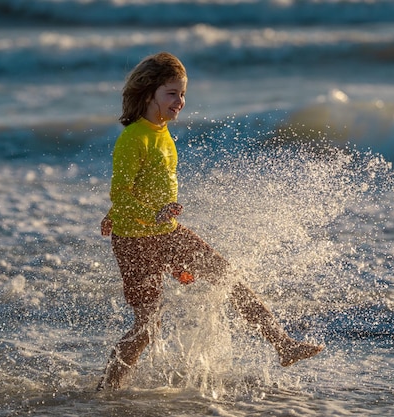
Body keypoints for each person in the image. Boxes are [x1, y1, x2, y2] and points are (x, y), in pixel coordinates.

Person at [97, 52, 323, 391]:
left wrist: (133, 217)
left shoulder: (162, 133)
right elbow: (121, 192)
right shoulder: (134, 138)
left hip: (167, 233)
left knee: (227, 277)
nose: (180, 101)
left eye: (183, 94)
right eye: (172, 93)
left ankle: (283, 345)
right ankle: (106, 391)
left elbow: (139, 188)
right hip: (136, 242)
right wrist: (136, 214)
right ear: (149, 93)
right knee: (146, 328)